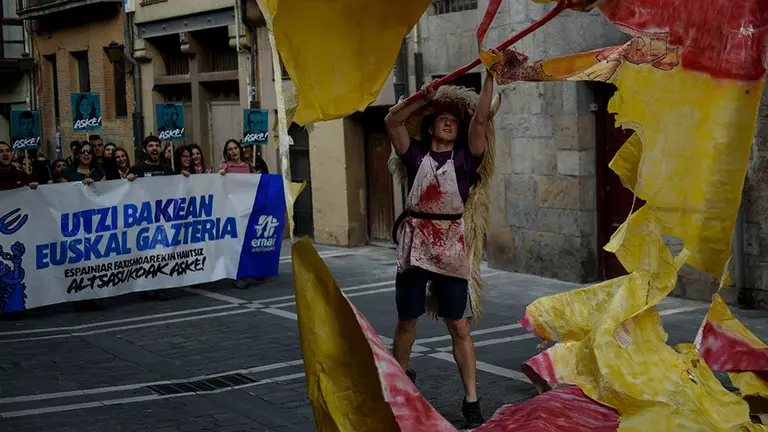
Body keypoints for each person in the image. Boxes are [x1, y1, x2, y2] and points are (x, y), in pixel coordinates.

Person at [384, 72, 496, 429]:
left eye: (453, 121)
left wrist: (491, 75)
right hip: (414, 247)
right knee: (406, 322)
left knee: (460, 327)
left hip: (451, 248)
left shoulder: (466, 159)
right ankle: (399, 388)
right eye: (442, 119)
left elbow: (481, 117)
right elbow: (392, 120)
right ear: (430, 127)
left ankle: (472, 401)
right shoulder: (413, 154)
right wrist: (423, 97)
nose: (449, 122)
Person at [127, 135, 186, 301]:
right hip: (144, 219)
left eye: (157, 145)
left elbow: (177, 189)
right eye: (151, 146)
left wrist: (184, 179)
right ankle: (146, 285)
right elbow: (125, 193)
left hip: (162, 218)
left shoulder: (167, 169)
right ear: (145, 149)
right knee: (145, 254)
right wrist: (128, 181)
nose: (154, 148)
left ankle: (160, 287)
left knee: (160, 253)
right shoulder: (136, 170)